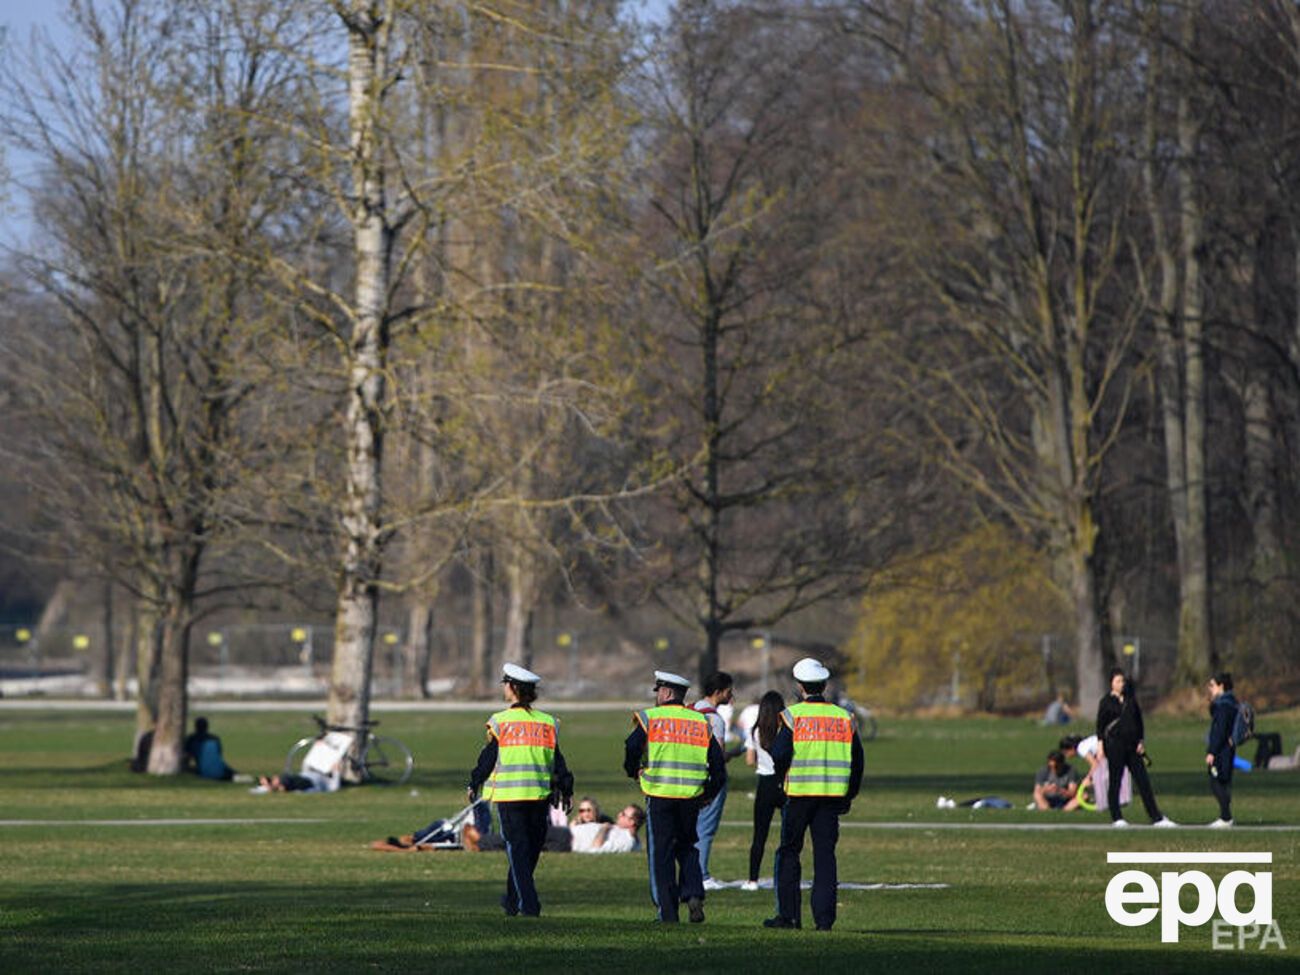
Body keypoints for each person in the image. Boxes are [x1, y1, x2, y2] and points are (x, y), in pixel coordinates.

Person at [467, 663, 574, 917]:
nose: (504, 688)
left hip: (510, 795)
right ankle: (515, 902)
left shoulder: (500, 721)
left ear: (513, 688)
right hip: (538, 796)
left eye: (506, 684)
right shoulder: (548, 722)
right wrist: (566, 788)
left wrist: (474, 782)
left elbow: (488, 757)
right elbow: (557, 761)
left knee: (520, 851)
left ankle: (527, 905)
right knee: (528, 850)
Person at [766, 657, 864, 932]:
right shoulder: (844, 718)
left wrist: (781, 778)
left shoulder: (792, 716)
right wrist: (849, 795)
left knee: (788, 853)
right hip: (831, 798)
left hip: (798, 795)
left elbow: (779, 754)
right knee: (825, 857)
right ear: (824, 685)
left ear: (800, 686)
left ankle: (789, 916)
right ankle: (824, 921)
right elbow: (857, 761)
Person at [623, 669, 726, 924]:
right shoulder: (701, 722)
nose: (656, 695)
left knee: (662, 855)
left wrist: (633, 771)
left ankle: (667, 913)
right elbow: (718, 766)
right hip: (691, 797)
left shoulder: (651, 718)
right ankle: (693, 894)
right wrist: (708, 793)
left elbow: (632, 746)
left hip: (659, 795)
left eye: (658, 691)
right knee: (688, 847)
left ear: (666, 692)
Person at [1096, 667, 1175, 828]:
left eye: (1122, 681)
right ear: (1111, 683)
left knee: (1143, 782)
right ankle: (1117, 817)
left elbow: (1139, 722)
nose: (1121, 684)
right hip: (1114, 745)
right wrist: (1100, 746)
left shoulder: (1130, 700)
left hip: (1132, 746)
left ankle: (1156, 817)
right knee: (1115, 781)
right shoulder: (1106, 702)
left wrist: (1140, 741)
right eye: (1118, 681)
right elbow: (1100, 726)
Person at [693, 671, 735, 889]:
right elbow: (718, 755)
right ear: (718, 692)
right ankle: (702, 874)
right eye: (729, 691)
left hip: (688, 777)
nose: (731, 695)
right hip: (710, 779)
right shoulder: (714, 719)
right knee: (706, 828)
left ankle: (690, 872)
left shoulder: (690, 711)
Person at [742, 690, 785, 891]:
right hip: (785, 783)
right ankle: (784, 877)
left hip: (765, 784)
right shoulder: (786, 730)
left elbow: (750, 760)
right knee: (789, 836)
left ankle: (752, 880)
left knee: (759, 835)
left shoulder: (755, 731)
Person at [1206, 672, 1238, 828]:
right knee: (1223, 781)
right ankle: (1226, 816)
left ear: (1221, 686)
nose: (1209, 688)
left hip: (1221, 750)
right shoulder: (1231, 703)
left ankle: (1226, 817)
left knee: (1216, 781)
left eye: (1212, 685)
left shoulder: (1223, 706)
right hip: (1228, 749)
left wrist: (1212, 751)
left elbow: (1220, 731)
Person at [570, 804, 646, 853]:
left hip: (569, 840)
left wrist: (604, 828)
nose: (619, 814)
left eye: (623, 814)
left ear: (631, 822)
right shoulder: (622, 832)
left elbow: (596, 849)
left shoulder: (626, 842)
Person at [183, 716, 236, 781]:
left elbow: (186, 757)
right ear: (207, 727)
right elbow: (218, 755)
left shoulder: (191, 739)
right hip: (219, 769)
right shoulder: (215, 738)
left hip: (204, 771)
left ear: (195, 727)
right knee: (232, 773)